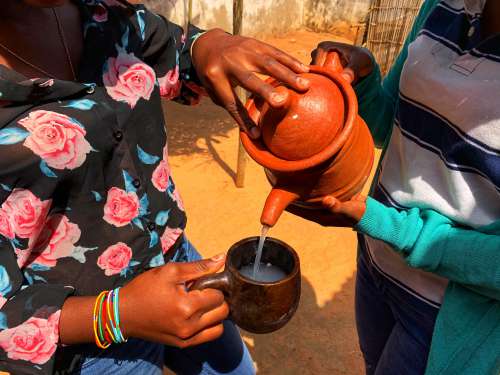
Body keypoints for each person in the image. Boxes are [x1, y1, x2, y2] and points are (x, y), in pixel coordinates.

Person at [0, 0, 311, 373]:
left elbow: (175, 50)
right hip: (92, 334)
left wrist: (207, 45)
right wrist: (114, 315)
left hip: (176, 258)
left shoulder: (105, 15)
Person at [293, 0, 500, 374]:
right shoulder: (443, 6)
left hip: (443, 311)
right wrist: (364, 79)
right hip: (375, 265)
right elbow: (388, 120)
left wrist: (391, 227)